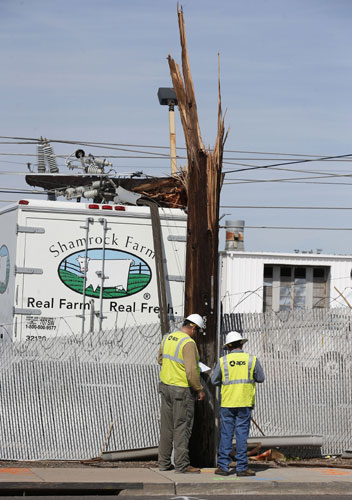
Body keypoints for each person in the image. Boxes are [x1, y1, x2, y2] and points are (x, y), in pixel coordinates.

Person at [211, 330, 264, 476]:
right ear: (241, 344)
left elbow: (214, 380)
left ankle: (223, 467)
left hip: (228, 403)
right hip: (244, 402)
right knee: (241, 435)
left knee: (226, 434)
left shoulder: (223, 361)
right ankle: (241, 468)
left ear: (228, 347)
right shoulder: (251, 360)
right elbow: (260, 378)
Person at [158, 314, 206, 474]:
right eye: (197, 331)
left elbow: (160, 359)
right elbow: (191, 371)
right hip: (181, 390)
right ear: (193, 328)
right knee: (182, 427)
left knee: (166, 427)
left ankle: (164, 463)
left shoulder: (168, 338)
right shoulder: (188, 343)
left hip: (165, 387)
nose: (196, 334)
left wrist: (173, 367)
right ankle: (182, 465)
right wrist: (199, 389)